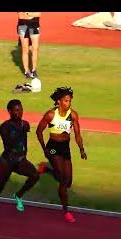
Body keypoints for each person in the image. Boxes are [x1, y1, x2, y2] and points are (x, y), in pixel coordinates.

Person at [0, 100, 40, 228]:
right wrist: (21, 130)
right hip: (7, 162)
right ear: (10, 112)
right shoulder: (5, 126)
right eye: (16, 110)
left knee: (35, 175)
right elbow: (9, 144)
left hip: (20, 160)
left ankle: (18, 195)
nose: (19, 112)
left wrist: (25, 153)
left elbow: (24, 141)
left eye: (21, 109)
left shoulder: (25, 125)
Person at [35, 86, 87, 223]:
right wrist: (44, 149)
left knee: (68, 182)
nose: (68, 103)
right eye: (65, 101)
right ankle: (66, 211)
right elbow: (38, 131)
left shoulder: (73, 115)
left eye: (69, 101)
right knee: (62, 178)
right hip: (52, 147)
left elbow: (77, 135)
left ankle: (46, 170)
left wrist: (81, 149)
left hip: (65, 148)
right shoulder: (51, 115)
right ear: (58, 101)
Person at [17, 12, 41, 80]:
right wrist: (32, 14)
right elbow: (21, 16)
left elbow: (38, 14)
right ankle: (26, 71)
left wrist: (27, 14)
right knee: (25, 49)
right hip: (23, 26)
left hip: (34, 26)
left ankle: (34, 70)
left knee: (35, 48)